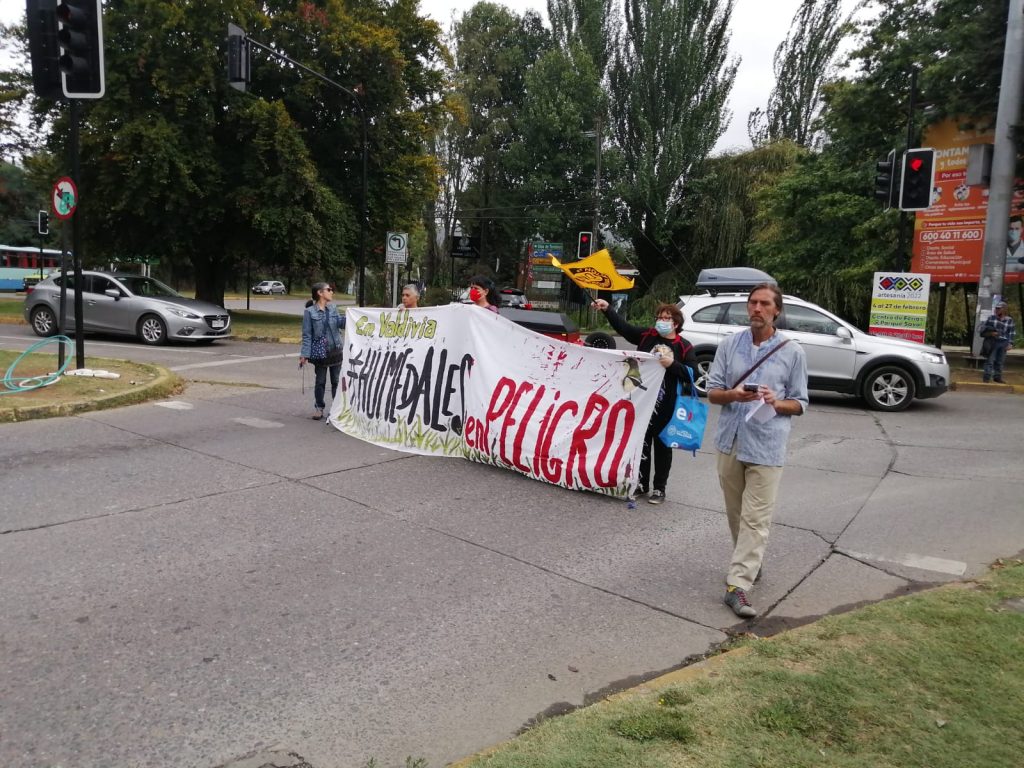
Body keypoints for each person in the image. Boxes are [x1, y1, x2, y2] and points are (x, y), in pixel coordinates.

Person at [707, 283, 808, 618]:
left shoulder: (793, 351)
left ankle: (738, 586)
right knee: (736, 513)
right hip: (730, 440)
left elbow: (800, 402)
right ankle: (750, 562)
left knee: (756, 519)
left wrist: (775, 402)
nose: (757, 309)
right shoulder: (730, 345)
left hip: (768, 444)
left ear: (776, 310)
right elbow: (713, 392)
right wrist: (734, 395)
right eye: (752, 303)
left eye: (764, 304)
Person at [592, 298, 697, 504]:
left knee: (662, 445)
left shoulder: (684, 346)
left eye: (667, 318)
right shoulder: (647, 335)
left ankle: (659, 488)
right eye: (659, 317)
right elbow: (624, 328)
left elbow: (691, 373)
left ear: (676, 323)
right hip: (642, 399)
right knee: (642, 442)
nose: (661, 321)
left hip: (667, 402)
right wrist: (607, 310)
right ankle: (641, 483)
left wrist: (672, 364)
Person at [300, 282, 346, 420]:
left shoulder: (333, 308)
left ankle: (337, 409)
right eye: (329, 289)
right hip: (321, 353)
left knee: (336, 381)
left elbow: (341, 324)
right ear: (320, 293)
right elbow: (307, 335)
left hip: (336, 350)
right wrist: (304, 354)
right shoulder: (310, 312)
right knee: (320, 382)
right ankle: (319, 408)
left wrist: (351, 316)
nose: (332, 292)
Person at [980, 300, 1016, 384]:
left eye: (999, 308)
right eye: (996, 308)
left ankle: (997, 377)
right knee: (990, 360)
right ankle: (986, 378)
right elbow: (983, 330)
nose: (997, 310)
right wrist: (991, 333)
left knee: (1000, 361)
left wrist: (1010, 343)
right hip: (993, 342)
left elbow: (1012, 332)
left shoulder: (1009, 320)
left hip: (1004, 342)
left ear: (1004, 310)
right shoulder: (991, 318)